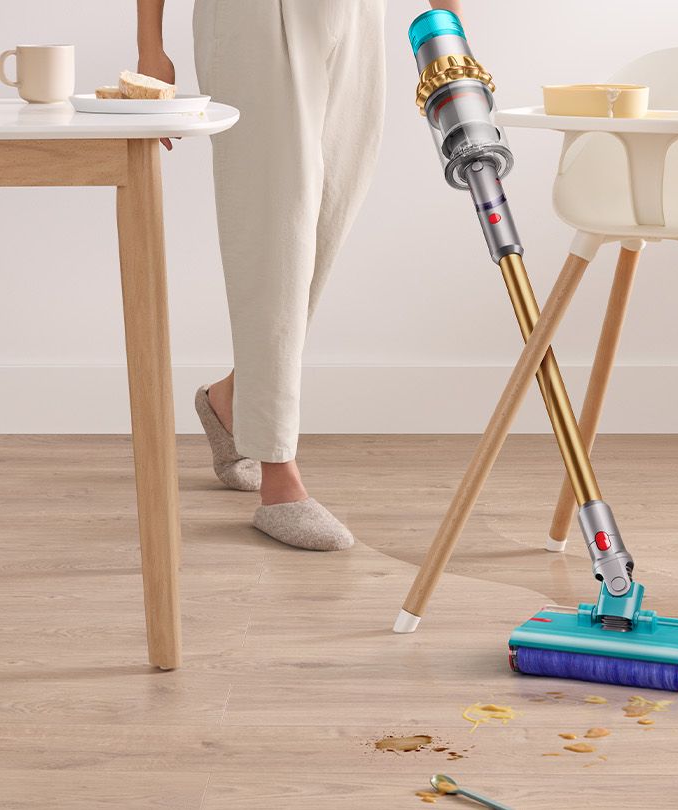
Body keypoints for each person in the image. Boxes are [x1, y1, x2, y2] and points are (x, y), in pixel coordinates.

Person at [136, 0, 463, 551]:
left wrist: (448, 44)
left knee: (325, 222)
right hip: (255, 19)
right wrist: (151, 44)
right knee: (275, 230)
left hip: (358, 17)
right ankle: (279, 477)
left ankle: (235, 398)